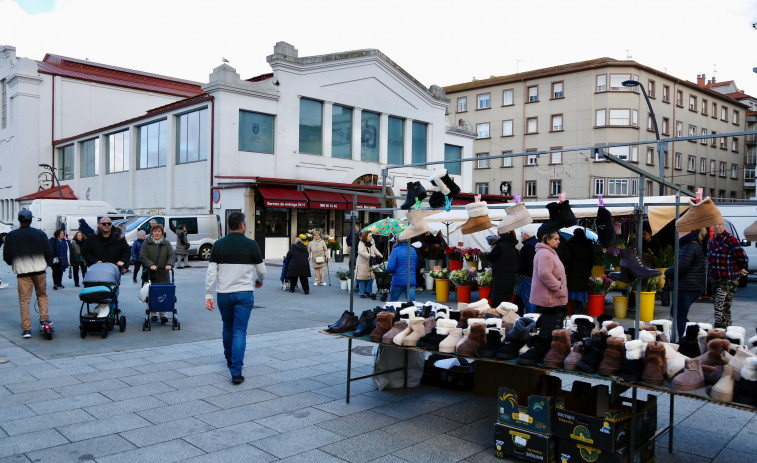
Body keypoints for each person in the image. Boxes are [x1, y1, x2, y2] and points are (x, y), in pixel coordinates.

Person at [205, 211, 265, 385]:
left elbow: (211, 272)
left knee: (227, 326)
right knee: (240, 331)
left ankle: (229, 359)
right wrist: (259, 280)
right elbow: (262, 271)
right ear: (242, 225)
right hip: (245, 293)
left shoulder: (218, 245)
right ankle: (236, 372)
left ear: (229, 226)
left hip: (223, 293)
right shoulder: (251, 244)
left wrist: (208, 294)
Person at [2, 209, 53, 338]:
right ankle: (44, 320)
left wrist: (13, 263)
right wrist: (47, 263)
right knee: (42, 296)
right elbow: (49, 251)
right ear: (31, 220)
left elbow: (7, 256)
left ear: (19, 221)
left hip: (23, 272)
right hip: (40, 271)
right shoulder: (39, 234)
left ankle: (26, 329)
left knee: (24, 301)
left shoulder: (11, 235)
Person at [665, 229, 707, 341]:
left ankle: (687, 339)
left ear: (687, 230)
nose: (677, 232)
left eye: (679, 230)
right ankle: (693, 335)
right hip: (691, 285)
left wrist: (667, 272)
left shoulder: (689, 246)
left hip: (687, 286)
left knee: (678, 315)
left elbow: (682, 267)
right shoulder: (691, 244)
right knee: (678, 313)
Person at [707, 222, 749, 328]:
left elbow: (743, 258)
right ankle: (727, 332)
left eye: (720, 224)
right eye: (715, 225)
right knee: (722, 307)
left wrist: (738, 268)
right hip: (716, 278)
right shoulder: (713, 240)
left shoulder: (730, 239)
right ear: (712, 227)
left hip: (727, 279)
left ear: (723, 226)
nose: (717, 227)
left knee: (720, 307)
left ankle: (720, 331)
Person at [140, 223, 176, 323]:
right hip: (151, 274)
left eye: (159, 231)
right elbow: (143, 256)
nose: (157, 233)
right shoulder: (146, 243)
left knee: (164, 293)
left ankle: (164, 314)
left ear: (162, 232)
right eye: (155, 231)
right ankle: (154, 313)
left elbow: (172, 255)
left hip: (164, 273)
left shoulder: (166, 243)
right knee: (152, 293)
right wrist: (150, 264)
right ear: (151, 232)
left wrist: (170, 264)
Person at [530, 231, 568, 312]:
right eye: (556, 239)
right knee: (549, 322)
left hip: (550, 298)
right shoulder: (545, 254)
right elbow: (544, 273)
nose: (559, 241)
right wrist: (557, 286)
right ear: (548, 240)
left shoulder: (548, 252)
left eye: (558, 239)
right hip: (548, 299)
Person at [566, 229, 595, 314]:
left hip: (572, 270)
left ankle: (574, 307)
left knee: (573, 289)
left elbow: (567, 258)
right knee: (581, 289)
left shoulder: (570, 244)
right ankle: (579, 306)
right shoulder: (588, 245)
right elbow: (592, 259)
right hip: (584, 270)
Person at [488, 229, 518, 308]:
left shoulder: (500, 246)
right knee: (505, 303)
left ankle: (495, 319)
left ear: (500, 234)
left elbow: (490, 258)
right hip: (510, 277)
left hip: (500, 277)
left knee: (496, 303)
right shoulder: (513, 245)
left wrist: (487, 254)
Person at [517, 224, 539, 313]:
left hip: (527, 275)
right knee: (524, 296)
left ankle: (531, 317)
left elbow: (529, 262)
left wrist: (523, 272)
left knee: (528, 297)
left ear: (526, 234)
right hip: (532, 274)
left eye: (522, 234)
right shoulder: (536, 243)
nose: (521, 236)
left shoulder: (528, 245)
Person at [356, 230, 382, 298]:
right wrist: (370, 255)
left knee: (371, 277)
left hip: (370, 263)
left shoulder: (372, 242)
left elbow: (375, 249)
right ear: (365, 236)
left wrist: (379, 254)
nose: (371, 237)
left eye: (371, 236)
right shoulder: (361, 243)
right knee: (362, 278)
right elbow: (361, 252)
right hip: (362, 263)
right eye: (370, 236)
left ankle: (368, 290)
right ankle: (362, 293)